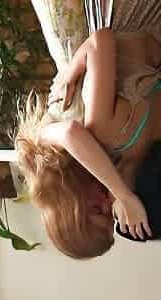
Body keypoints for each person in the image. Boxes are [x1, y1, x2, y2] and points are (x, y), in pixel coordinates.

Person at [15, 19, 161, 258]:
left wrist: (124, 195)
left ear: (71, 206)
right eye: (109, 214)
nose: (108, 204)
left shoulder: (45, 149)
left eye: (96, 210)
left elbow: (70, 133)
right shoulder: (109, 152)